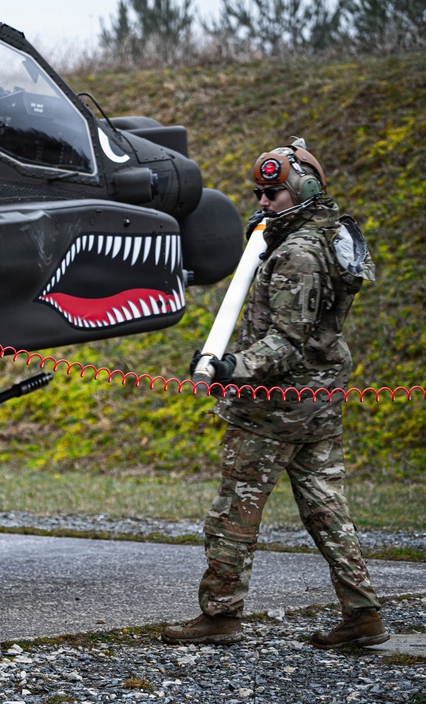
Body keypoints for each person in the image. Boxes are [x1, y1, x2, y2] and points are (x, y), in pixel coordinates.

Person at [162, 137, 387, 650]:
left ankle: (220, 615)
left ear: (302, 190)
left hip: (274, 407)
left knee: (233, 513)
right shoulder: (325, 237)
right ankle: (363, 613)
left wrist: (227, 367)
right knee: (327, 510)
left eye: (273, 194)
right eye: (260, 195)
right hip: (319, 402)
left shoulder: (299, 253)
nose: (262, 203)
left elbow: (286, 343)